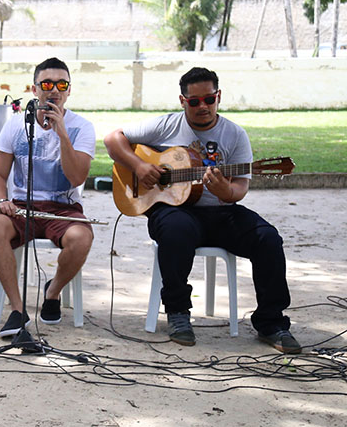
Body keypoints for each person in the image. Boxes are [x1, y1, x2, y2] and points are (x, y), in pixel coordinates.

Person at [104, 67, 300, 354]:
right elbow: (113, 139)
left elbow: (239, 189)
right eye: (194, 102)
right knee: (176, 230)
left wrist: (225, 191)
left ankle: (272, 323)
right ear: (183, 101)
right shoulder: (167, 126)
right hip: (174, 211)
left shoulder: (234, 134)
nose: (203, 107)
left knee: (268, 238)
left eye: (209, 99)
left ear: (218, 96)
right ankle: (178, 313)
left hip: (222, 214)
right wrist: (140, 166)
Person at [0, 57, 96, 338]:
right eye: (47, 84)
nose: (54, 90)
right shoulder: (15, 125)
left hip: (63, 208)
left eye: (62, 84)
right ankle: (17, 309)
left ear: (69, 90)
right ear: (35, 89)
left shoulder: (82, 127)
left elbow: (77, 179)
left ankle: (53, 291)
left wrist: (62, 135)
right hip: (22, 206)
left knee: (81, 239)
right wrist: (2, 201)